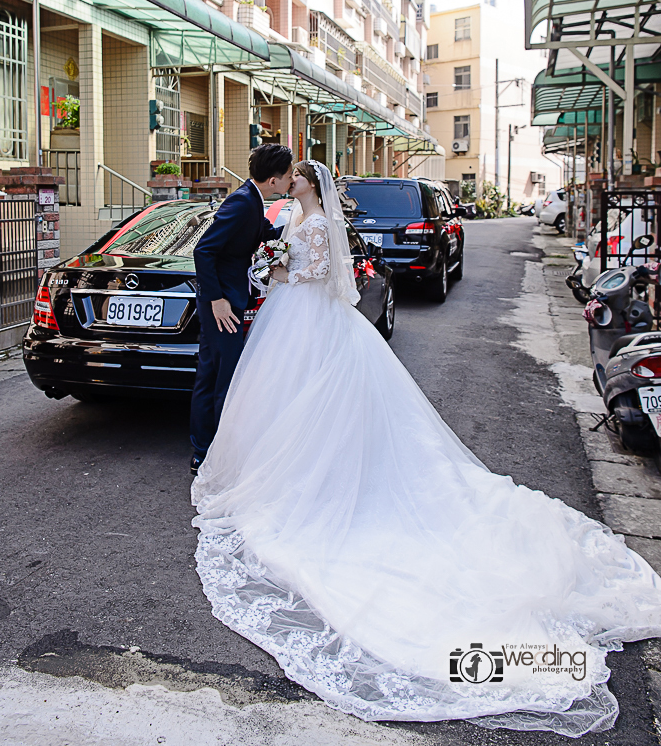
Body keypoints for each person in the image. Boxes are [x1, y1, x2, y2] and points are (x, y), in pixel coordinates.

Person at [191, 160, 661, 736]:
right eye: (287, 176)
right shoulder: (290, 213)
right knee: (286, 400)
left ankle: (311, 480)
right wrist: (275, 265)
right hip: (292, 317)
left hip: (303, 314)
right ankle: (295, 469)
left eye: (296, 177)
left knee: (305, 399)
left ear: (308, 185)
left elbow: (315, 273)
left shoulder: (311, 223)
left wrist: (281, 271)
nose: (289, 181)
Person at [189, 143, 292, 474]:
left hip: (227, 301)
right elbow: (203, 251)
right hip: (222, 305)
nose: (291, 180)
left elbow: (265, 236)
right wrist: (216, 299)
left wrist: (302, 229)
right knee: (224, 378)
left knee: (213, 374)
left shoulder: (253, 201)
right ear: (274, 179)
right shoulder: (241, 202)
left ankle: (205, 450)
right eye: (289, 175)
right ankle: (211, 455)